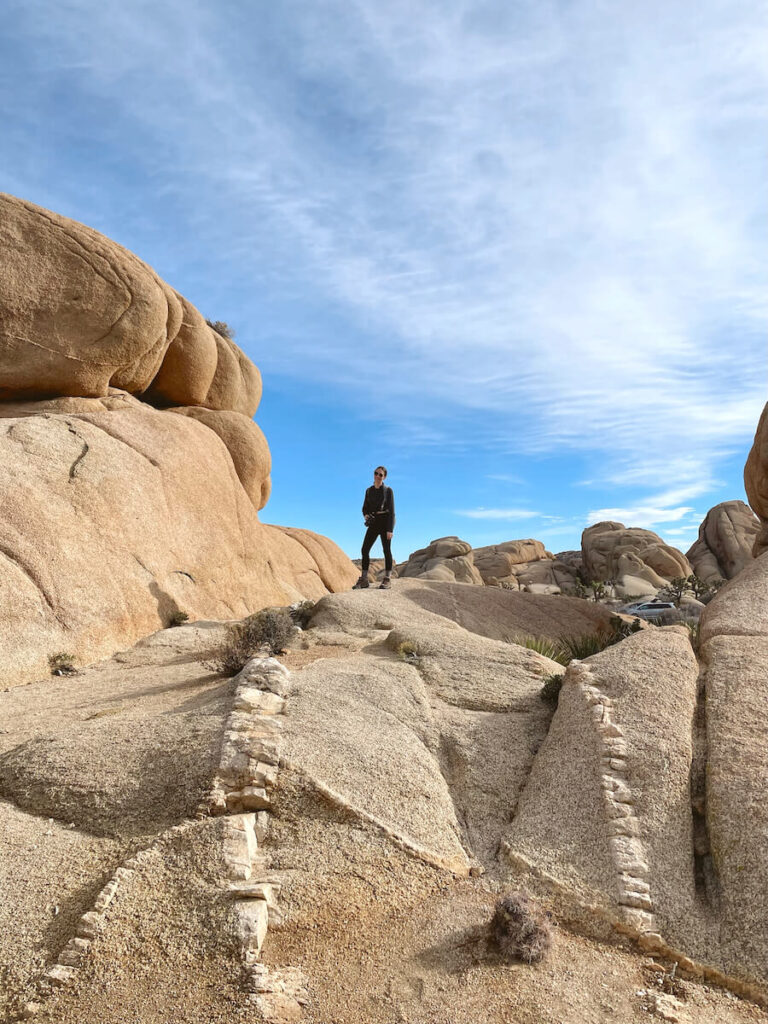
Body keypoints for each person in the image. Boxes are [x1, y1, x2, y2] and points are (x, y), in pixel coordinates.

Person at [353, 465, 395, 590]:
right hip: (374, 522)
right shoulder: (368, 491)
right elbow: (364, 507)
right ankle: (364, 579)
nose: (377, 476)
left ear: (384, 477)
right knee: (365, 549)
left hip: (385, 521)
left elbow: (392, 511)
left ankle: (387, 579)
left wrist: (390, 529)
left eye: (380, 475)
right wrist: (366, 515)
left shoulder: (388, 491)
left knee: (386, 550)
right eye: (376, 473)